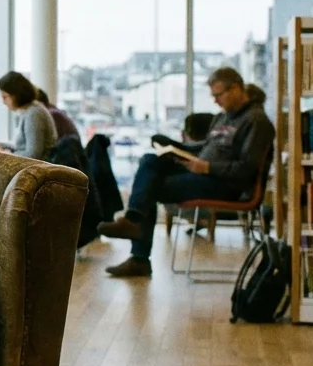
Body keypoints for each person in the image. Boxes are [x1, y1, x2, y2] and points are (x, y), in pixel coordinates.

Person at [97, 67, 275, 278]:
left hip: (226, 185)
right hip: (203, 174)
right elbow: (203, 148)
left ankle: (138, 254)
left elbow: (247, 169)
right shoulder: (224, 117)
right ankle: (133, 221)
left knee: (150, 188)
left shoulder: (256, 121)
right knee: (150, 160)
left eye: (219, 95)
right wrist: (172, 146)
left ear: (236, 88)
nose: (216, 101)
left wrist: (208, 168)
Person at [0, 71, 58, 160]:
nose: (3, 101)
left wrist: (6, 155)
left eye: (5, 96)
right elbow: (20, 146)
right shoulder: (27, 111)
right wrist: (0, 146)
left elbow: (33, 155)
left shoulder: (34, 114)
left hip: (38, 170)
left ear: (17, 95)